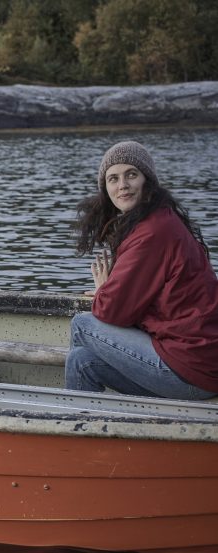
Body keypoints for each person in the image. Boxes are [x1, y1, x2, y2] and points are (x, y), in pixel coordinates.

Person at [65, 141, 218, 400]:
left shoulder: (153, 232)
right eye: (113, 179)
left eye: (131, 175)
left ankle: (76, 424)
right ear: (106, 189)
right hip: (197, 363)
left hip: (191, 369)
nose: (122, 185)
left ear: (147, 181)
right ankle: (80, 431)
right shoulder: (159, 220)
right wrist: (111, 293)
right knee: (82, 361)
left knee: (82, 324)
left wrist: (104, 292)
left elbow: (112, 311)